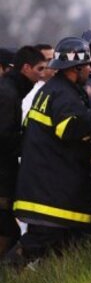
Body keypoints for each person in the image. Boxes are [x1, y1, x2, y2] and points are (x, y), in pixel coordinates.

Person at [5, 38, 91, 266]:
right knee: (38, 242)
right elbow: (69, 129)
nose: (90, 70)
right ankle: (7, 276)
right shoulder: (65, 95)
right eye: (86, 66)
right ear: (76, 69)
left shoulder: (50, 90)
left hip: (41, 185)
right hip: (50, 191)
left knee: (56, 247)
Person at [0, 46, 46, 254]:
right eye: (39, 69)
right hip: (2, 179)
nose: (41, 75)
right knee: (8, 232)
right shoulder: (8, 94)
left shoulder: (11, 91)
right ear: (26, 68)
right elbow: (5, 139)